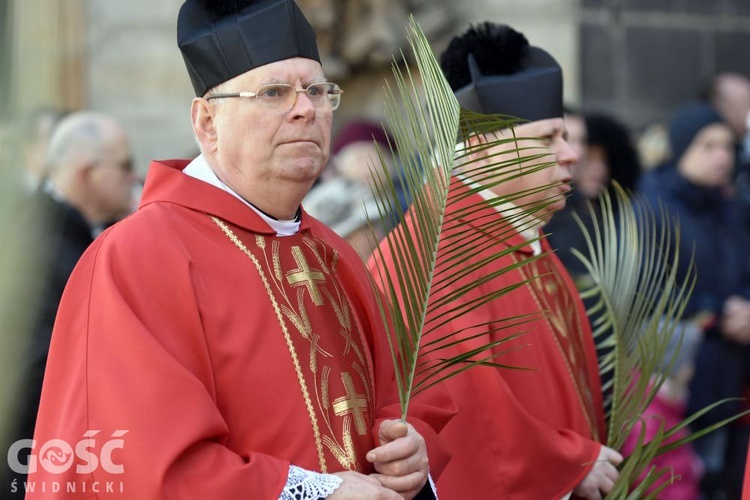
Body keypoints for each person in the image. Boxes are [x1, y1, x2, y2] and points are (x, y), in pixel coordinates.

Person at [24, 1, 451, 499]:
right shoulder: (140, 256)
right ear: (206, 121)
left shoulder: (336, 254)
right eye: (274, 92)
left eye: (317, 90)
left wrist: (410, 451)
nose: (306, 108)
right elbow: (148, 465)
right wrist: (319, 494)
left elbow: (402, 402)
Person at [370, 22, 621, 499]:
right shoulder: (438, 252)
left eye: (566, 137)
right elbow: (467, 416)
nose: (571, 155)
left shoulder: (521, 236)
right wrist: (568, 466)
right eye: (548, 139)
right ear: (484, 146)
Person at [1, 111, 136, 499]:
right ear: (87, 173)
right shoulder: (38, 242)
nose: (134, 176)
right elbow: (29, 365)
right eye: (125, 165)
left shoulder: (71, 232)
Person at [637, 102, 750, 499]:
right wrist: (722, 314)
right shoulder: (650, 206)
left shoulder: (730, 209)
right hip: (675, 383)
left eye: (727, 146)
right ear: (682, 148)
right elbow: (646, 290)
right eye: (708, 145)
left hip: (729, 379)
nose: (722, 156)